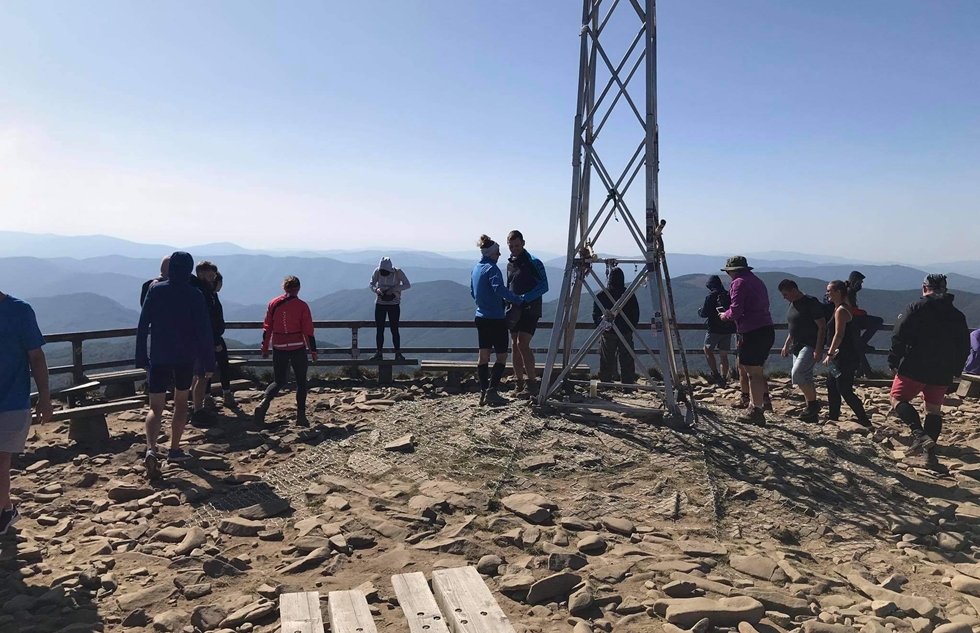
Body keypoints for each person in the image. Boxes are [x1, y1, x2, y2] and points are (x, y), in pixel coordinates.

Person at [135, 252, 216, 479]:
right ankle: (174, 450)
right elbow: (204, 332)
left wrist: (141, 355)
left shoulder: (155, 290)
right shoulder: (195, 294)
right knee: (181, 402)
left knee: (155, 406)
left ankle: (151, 448)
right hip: (185, 357)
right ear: (189, 269)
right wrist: (209, 362)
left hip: (159, 356)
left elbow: (143, 325)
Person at [888, 274, 971, 456]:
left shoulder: (915, 308)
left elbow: (898, 335)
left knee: (897, 399)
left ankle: (918, 434)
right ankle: (929, 453)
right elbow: (965, 345)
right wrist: (956, 368)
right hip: (944, 368)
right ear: (945, 290)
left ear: (924, 288)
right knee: (933, 410)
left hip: (915, 365)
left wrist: (893, 360)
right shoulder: (957, 315)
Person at [0, 292, 53, 534]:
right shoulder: (19, 310)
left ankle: (4, 512)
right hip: (13, 401)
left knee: (1, 459)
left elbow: (36, 357)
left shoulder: (19, 310)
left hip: (12, 401)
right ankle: (6, 509)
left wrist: (44, 397)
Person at [254, 276, 318, 426]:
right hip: (297, 347)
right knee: (301, 382)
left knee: (278, 381)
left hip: (279, 346)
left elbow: (267, 328)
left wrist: (264, 348)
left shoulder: (273, 304)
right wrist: (313, 351)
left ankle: (263, 404)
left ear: (284, 287)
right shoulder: (302, 306)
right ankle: (301, 417)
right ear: (299, 288)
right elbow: (308, 331)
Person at [719, 256, 774, 425]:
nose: (729, 275)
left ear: (733, 270)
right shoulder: (757, 281)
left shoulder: (738, 283)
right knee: (753, 368)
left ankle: (755, 410)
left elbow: (735, 311)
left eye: (729, 271)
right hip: (765, 328)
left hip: (752, 331)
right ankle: (760, 402)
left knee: (753, 373)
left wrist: (723, 315)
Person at [471, 235, 525, 406]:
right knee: (501, 357)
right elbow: (498, 288)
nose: (499, 254)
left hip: (480, 316)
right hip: (496, 318)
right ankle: (492, 392)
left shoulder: (476, 269)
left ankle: (483, 392)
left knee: (483, 356)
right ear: (491, 253)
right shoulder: (492, 269)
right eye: (497, 252)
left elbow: (473, 292)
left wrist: (483, 302)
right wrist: (516, 299)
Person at [822, 280, 873, 428]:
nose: (827, 294)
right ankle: (833, 417)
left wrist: (830, 354)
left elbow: (839, 334)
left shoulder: (841, 310)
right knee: (831, 384)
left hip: (845, 355)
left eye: (829, 291)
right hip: (840, 355)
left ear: (838, 292)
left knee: (844, 388)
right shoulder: (839, 308)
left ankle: (865, 421)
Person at [506, 230, 549, 396]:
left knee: (522, 344)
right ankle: (519, 383)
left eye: (517, 245)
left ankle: (532, 385)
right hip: (514, 309)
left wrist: (525, 298)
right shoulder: (510, 263)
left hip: (530, 309)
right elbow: (509, 285)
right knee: (514, 346)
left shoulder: (534, 262)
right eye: (511, 246)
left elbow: (544, 286)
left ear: (523, 243)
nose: (514, 249)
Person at [778, 279, 827, 423]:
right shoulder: (792, 304)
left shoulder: (811, 302)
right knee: (805, 377)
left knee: (798, 372)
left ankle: (813, 405)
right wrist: (787, 344)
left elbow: (822, 326)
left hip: (810, 344)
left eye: (785, 294)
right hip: (797, 346)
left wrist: (818, 348)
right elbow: (793, 327)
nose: (784, 297)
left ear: (793, 290)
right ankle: (811, 413)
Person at [592, 266, 640, 384]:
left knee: (606, 358)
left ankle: (605, 382)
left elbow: (595, 314)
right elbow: (635, 313)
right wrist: (630, 328)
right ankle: (628, 384)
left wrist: (602, 326)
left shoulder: (601, 295)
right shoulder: (629, 295)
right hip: (625, 331)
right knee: (627, 358)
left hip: (608, 332)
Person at [189, 261, 219, 425]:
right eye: (210, 276)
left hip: (193, 339)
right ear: (201, 274)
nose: (212, 279)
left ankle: (195, 406)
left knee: (197, 375)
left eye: (213, 276)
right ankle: (198, 410)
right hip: (201, 340)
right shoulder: (202, 292)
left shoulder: (195, 289)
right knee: (203, 376)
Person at [369, 257, 411, 362]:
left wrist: (393, 289)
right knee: (380, 329)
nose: (383, 274)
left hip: (394, 304)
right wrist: (377, 290)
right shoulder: (377, 271)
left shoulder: (397, 272)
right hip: (380, 302)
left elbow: (407, 285)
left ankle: (397, 353)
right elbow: (371, 284)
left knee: (394, 329)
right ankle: (379, 353)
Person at [698, 275, 737, 387]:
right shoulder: (728, 295)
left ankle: (716, 374)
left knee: (707, 349)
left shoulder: (711, 297)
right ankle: (724, 377)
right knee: (723, 355)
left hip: (714, 329)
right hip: (728, 328)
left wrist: (699, 312)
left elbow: (705, 313)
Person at [846, 271, 885, 375]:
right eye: (860, 282)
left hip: (853, 321)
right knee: (877, 321)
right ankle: (866, 370)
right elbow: (850, 309)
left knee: (857, 346)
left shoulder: (849, 291)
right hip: (853, 321)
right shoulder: (849, 292)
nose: (861, 285)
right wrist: (862, 313)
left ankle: (863, 370)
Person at [211, 272, 235, 408]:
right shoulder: (210, 298)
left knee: (211, 368)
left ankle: (210, 396)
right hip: (214, 338)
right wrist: (215, 341)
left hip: (213, 337)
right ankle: (225, 394)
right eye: (220, 282)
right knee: (221, 367)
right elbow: (211, 321)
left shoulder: (212, 296)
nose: (221, 285)